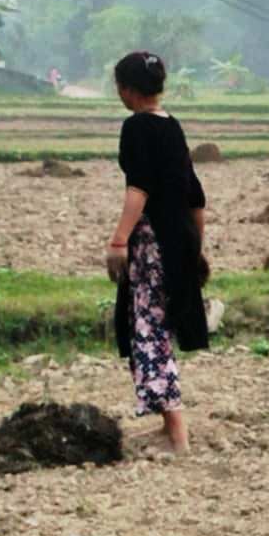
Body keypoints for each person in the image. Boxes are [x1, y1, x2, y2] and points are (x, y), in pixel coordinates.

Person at [105, 51, 208, 454]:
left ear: (128, 90)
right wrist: (196, 248)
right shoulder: (171, 125)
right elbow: (194, 194)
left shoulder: (137, 127)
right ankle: (169, 425)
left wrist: (118, 241)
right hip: (179, 238)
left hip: (152, 243)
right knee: (157, 326)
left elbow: (139, 188)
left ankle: (177, 434)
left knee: (147, 329)